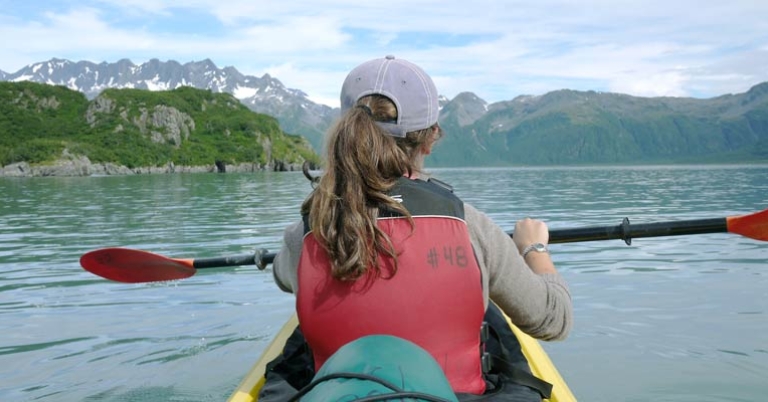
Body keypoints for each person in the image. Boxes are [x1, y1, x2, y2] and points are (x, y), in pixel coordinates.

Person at [267, 55, 572, 401]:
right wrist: (534, 249)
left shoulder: (303, 234)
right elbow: (553, 320)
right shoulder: (471, 227)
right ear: (430, 139)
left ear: (347, 129)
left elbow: (282, 277)